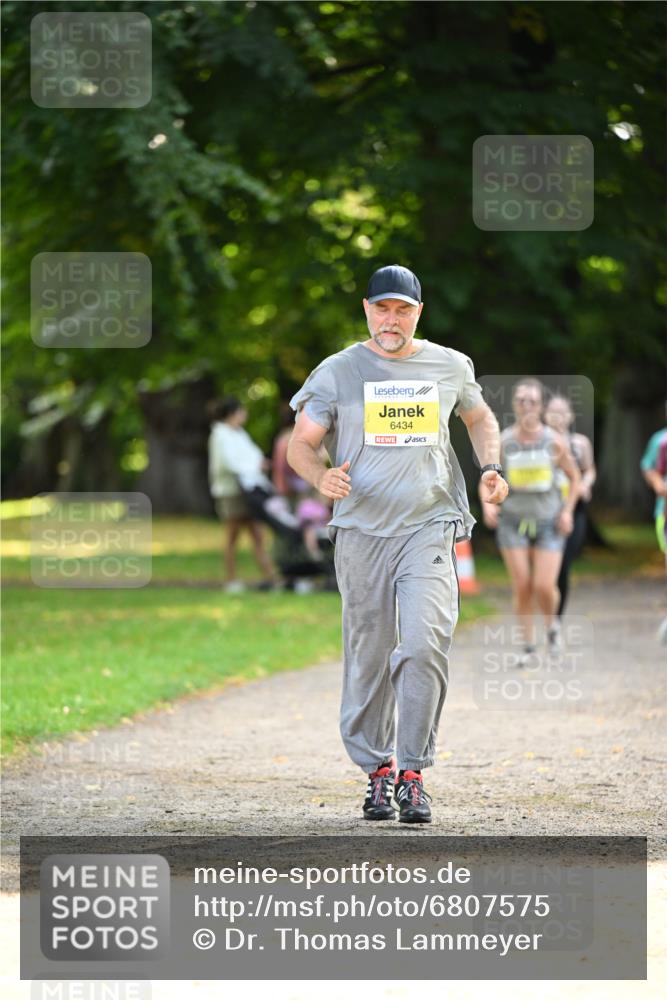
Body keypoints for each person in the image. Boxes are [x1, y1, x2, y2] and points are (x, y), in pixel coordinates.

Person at [287, 264, 508, 824]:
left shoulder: (449, 365)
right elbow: (301, 445)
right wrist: (320, 478)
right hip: (361, 531)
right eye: (382, 309)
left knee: (424, 643)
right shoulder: (339, 371)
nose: (392, 320)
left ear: (418, 313)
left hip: (428, 525)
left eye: (402, 310)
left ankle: (412, 772)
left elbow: (479, 416)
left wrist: (490, 466)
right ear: (366, 309)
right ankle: (376, 770)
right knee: (368, 652)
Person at [481, 379, 581, 663]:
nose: (526, 406)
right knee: (523, 585)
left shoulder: (553, 441)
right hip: (512, 522)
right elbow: (488, 478)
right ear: (514, 404)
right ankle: (528, 648)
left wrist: (567, 511)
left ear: (541, 407)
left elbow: (574, 479)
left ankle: (551, 628)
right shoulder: (505, 441)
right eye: (521, 400)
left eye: (532, 401)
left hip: (549, 522)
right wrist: (488, 506)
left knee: (543, 586)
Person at [207, 397, 279, 593]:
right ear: (232, 413)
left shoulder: (239, 434)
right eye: (241, 411)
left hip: (248, 491)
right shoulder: (220, 435)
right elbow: (230, 463)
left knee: (257, 533)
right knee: (233, 536)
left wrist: (260, 464)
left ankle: (270, 577)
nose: (244, 415)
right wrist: (255, 465)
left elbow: (251, 456)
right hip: (231, 492)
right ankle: (231, 579)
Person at [544, 394, 597, 617]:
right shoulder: (537, 442)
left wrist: (584, 483)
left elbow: (590, 470)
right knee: (545, 570)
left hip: (574, 511)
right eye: (553, 411)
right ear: (545, 415)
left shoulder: (580, 443)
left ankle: (556, 619)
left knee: (563, 566)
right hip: (544, 510)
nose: (558, 417)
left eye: (563, 411)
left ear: (571, 416)